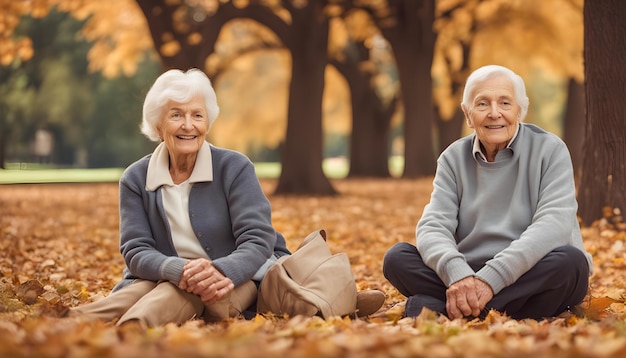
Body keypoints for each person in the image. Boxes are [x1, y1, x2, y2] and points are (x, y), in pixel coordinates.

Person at [70, 68, 383, 328]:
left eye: (197, 115)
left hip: (237, 275)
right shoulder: (136, 179)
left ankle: (132, 330)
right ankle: (70, 323)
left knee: (188, 293)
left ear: (208, 122)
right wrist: (178, 269)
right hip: (163, 275)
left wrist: (218, 271)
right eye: (176, 115)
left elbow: (258, 239)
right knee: (135, 293)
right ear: (157, 124)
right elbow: (136, 250)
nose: (188, 125)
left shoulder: (233, 167)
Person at [383, 65, 593, 320]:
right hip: (468, 272)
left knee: (571, 263)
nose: (495, 113)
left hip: (532, 271)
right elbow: (433, 225)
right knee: (397, 258)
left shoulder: (550, 150)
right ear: (468, 114)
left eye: (505, 103)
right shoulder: (452, 158)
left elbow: (553, 224)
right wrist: (459, 275)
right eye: (482, 104)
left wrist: (490, 280)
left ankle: (444, 308)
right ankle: (497, 310)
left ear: (520, 110)